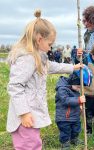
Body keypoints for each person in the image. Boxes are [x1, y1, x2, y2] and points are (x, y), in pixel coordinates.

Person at [6, 10, 82, 150]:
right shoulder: (27, 58)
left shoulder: (38, 56)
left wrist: (73, 67)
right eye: (50, 44)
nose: (50, 48)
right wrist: (23, 113)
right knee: (29, 146)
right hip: (25, 114)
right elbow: (15, 86)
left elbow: (52, 66)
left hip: (31, 112)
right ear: (39, 39)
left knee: (33, 143)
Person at [55, 66, 92, 150]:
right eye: (79, 87)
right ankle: (65, 143)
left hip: (75, 116)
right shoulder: (62, 89)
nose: (80, 89)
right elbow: (65, 100)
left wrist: (80, 106)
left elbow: (77, 100)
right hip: (64, 117)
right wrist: (78, 100)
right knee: (65, 131)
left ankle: (74, 140)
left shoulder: (75, 89)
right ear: (73, 81)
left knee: (76, 129)